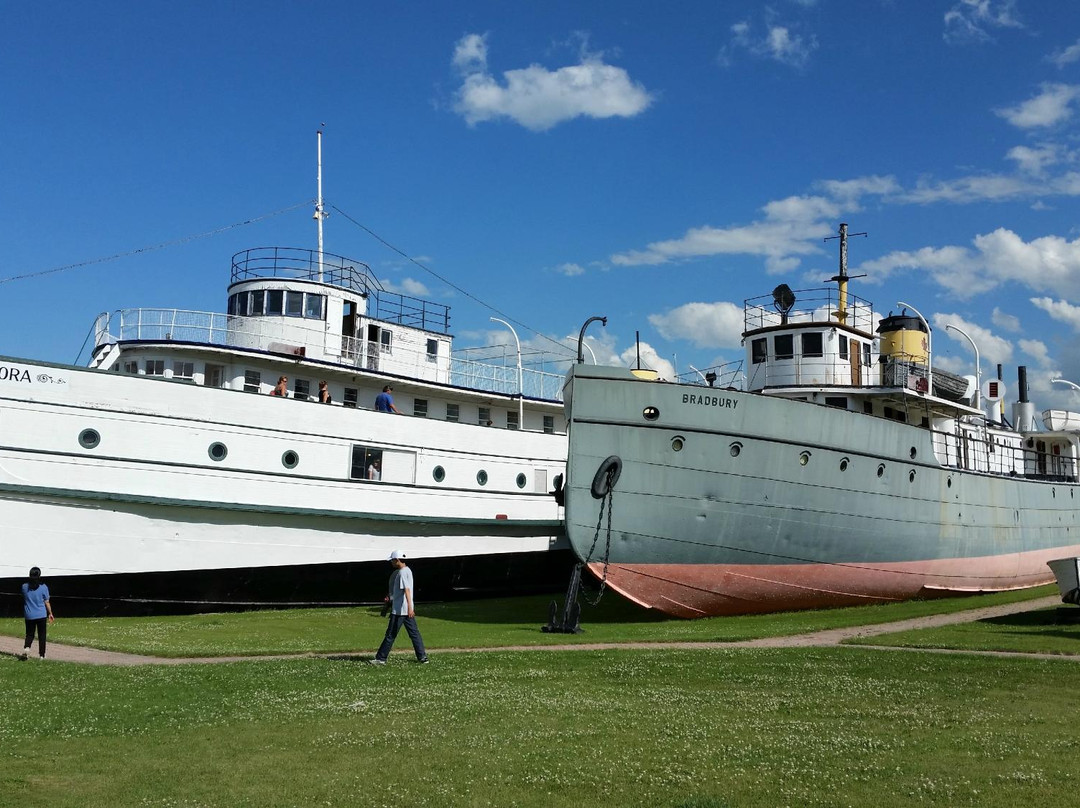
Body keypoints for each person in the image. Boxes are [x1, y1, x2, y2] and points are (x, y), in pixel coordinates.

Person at [370, 550, 428, 665]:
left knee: (390, 635)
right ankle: (422, 657)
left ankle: (381, 658)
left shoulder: (401, 573)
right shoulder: (408, 571)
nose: (391, 562)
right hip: (406, 610)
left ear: (397, 560)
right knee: (414, 634)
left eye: (392, 560)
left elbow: (406, 590)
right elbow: (401, 591)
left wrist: (410, 608)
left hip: (400, 611)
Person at [21, 567, 54, 660]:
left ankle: (27, 648)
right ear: (39, 576)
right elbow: (46, 602)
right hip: (41, 614)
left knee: (29, 634)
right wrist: (50, 613)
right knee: (42, 635)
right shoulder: (43, 587)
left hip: (29, 614)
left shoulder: (24, 587)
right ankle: (42, 655)